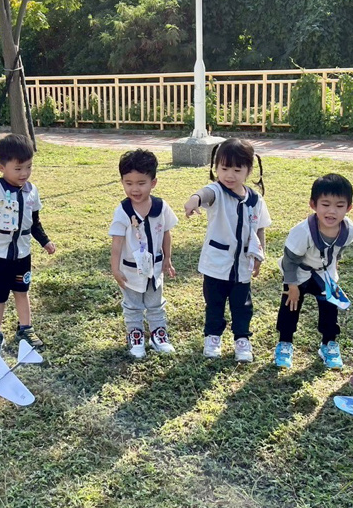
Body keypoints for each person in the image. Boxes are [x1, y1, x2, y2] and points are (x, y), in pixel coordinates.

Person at [183, 138, 271, 362]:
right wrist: (194, 200)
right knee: (214, 304)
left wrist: (259, 257)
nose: (229, 175)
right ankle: (212, 337)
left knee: (243, 306)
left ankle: (242, 339)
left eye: (237, 170)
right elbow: (205, 193)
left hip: (242, 266)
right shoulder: (217, 191)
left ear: (249, 170)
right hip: (216, 265)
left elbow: (260, 229)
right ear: (216, 168)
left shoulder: (256, 200)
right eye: (224, 168)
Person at [0, 133, 56, 352]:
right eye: (18, 168)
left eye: (28, 167)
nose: (24, 173)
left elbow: (35, 223)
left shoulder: (32, 191)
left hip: (22, 255)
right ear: (1, 167)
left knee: (21, 291)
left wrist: (45, 241)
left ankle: (25, 329)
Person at [274, 173, 353, 370]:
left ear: (349, 208)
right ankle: (285, 343)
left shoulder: (348, 230)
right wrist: (292, 286)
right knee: (290, 306)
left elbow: (339, 251)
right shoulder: (302, 232)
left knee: (330, 307)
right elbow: (290, 260)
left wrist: (333, 268)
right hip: (298, 272)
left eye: (339, 205)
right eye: (325, 204)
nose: (332, 211)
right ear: (313, 204)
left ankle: (328, 344)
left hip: (324, 273)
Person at [109, 149, 179, 359]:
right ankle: (135, 335)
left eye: (141, 183)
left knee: (155, 303)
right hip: (130, 271)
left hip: (155, 269)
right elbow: (116, 243)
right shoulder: (123, 211)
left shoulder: (161, 207)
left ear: (153, 182)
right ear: (122, 182)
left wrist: (167, 259)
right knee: (132, 305)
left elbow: (166, 234)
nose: (135, 189)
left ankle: (158, 335)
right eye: (128, 183)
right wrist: (115, 269)